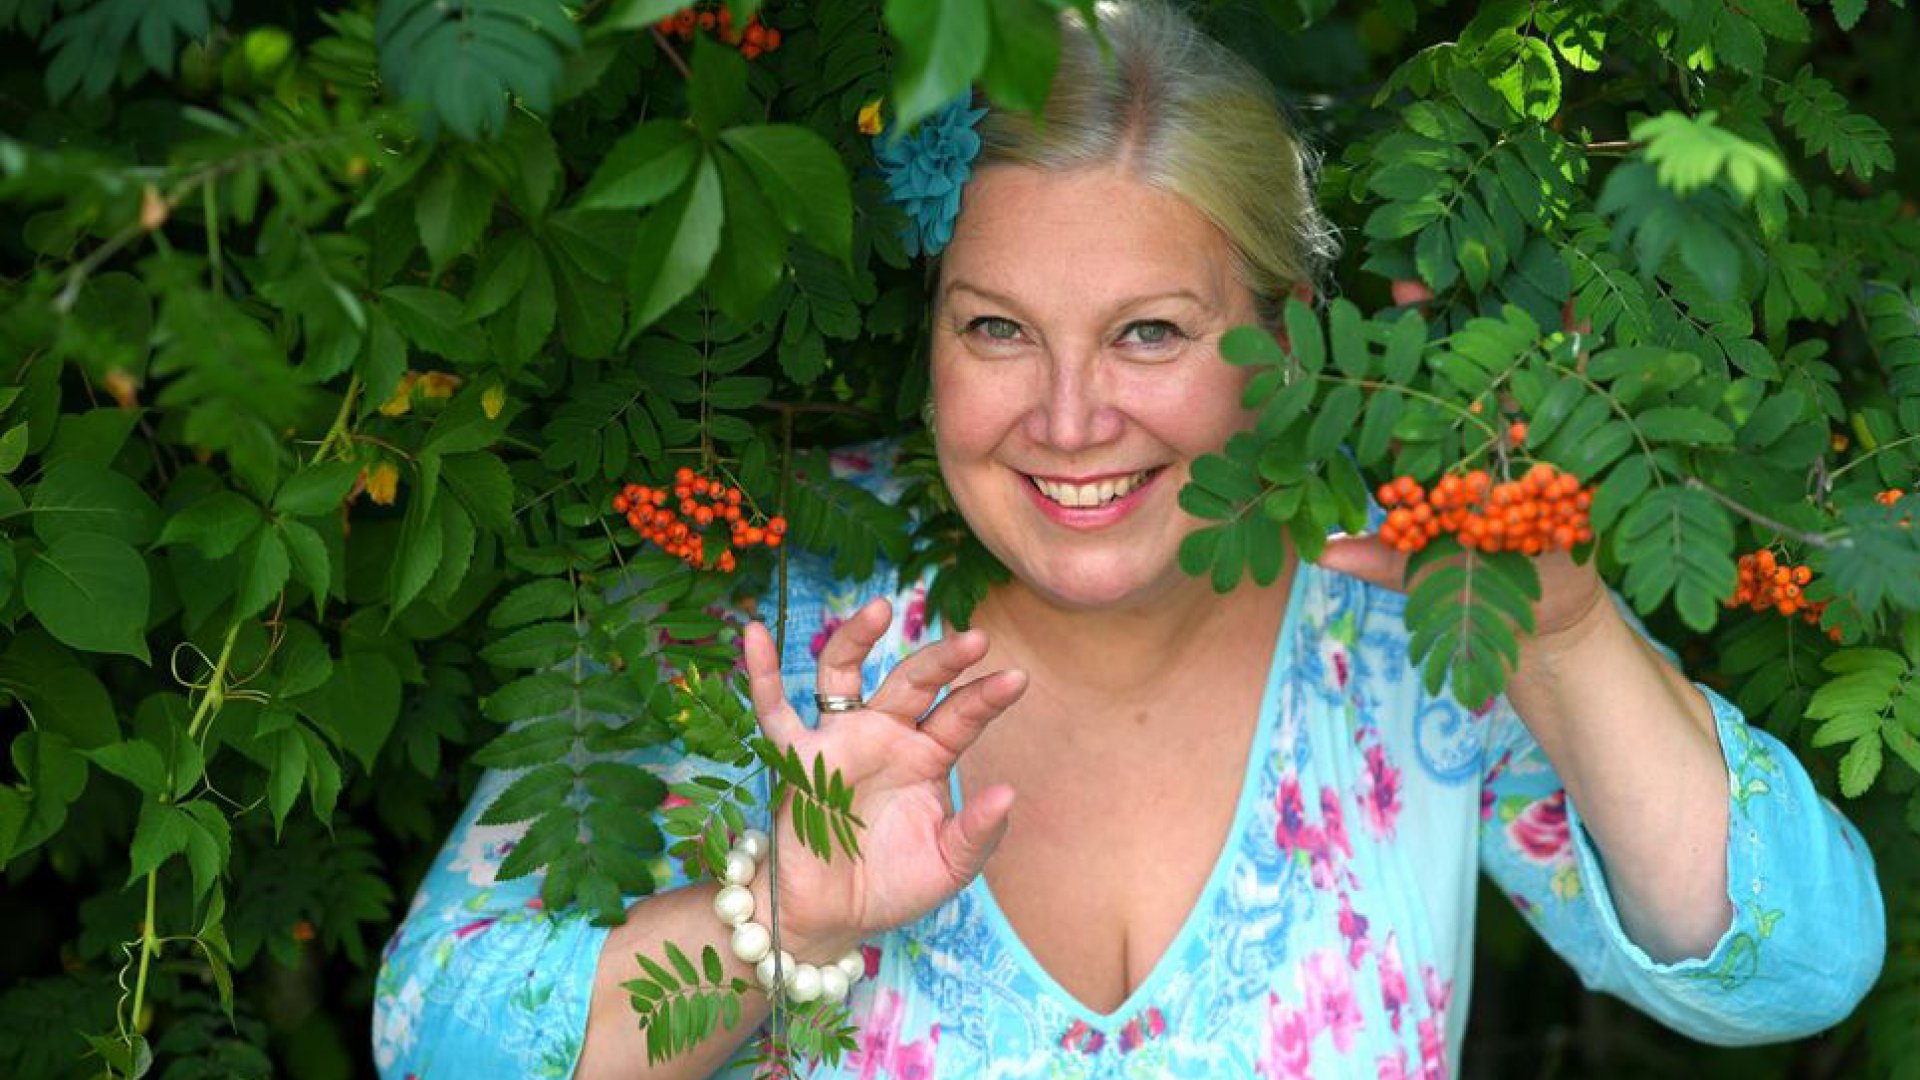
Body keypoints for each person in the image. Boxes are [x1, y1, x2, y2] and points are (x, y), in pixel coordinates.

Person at [371, 4, 1886, 1077]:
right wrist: (787, 909)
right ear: (931, 335)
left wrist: (1566, 635)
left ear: (1293, 340)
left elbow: (1796, 968)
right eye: (997, 329)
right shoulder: (784, 602)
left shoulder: (1416, 611)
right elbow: (441, 1042)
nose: (1069, 417)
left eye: (1150, 331)